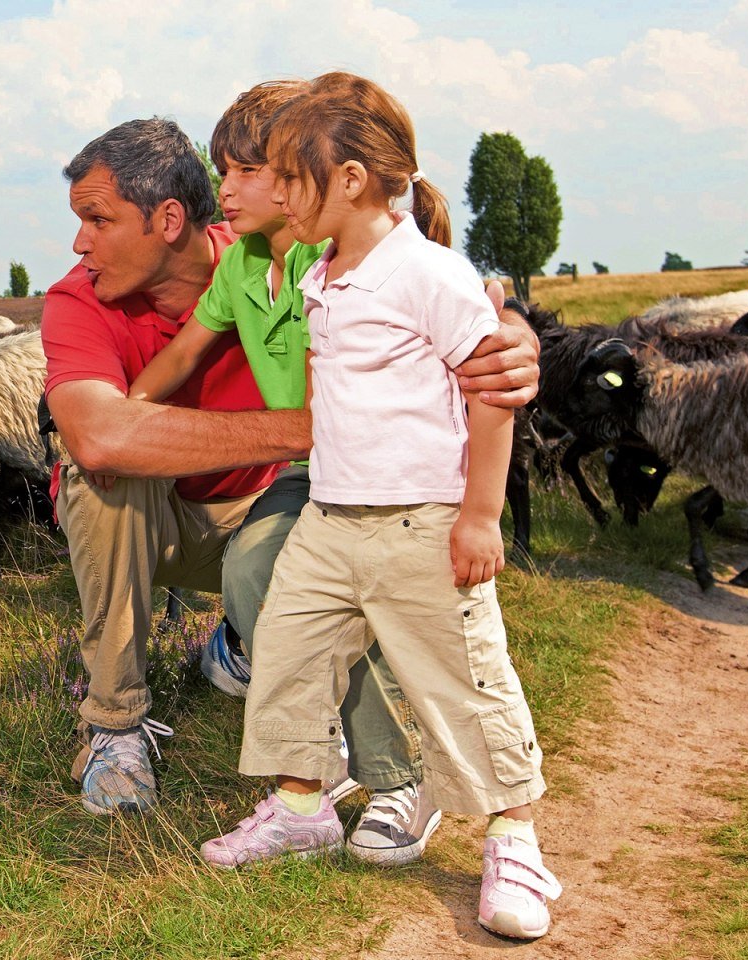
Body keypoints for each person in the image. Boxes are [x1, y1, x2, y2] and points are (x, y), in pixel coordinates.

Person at [43, 116, 541, 825]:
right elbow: (97, 436)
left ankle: (371, 759)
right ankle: (116, 727)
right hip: (171, 522)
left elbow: (421, 279)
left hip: (286, 503)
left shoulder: (291, 251)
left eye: (97, 219)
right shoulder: (78, 300)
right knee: (96, 476)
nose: (78, 243)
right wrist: (319, 426)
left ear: (168, 219)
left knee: (295, 551)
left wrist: (513, 335)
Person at [192, 72, 561, 941]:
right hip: (331, 517)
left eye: (289, 175)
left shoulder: (431, 274)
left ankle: (513, 840)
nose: (277, 193)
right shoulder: (319, 273)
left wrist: (479, 515)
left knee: (463, 680)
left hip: (421, 522)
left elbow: (491, 394)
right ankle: (301, 808)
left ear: (349, 179)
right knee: (287, 656)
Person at [127, 80, 438, 867]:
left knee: (335, 583)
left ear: (302, 174)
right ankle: (321, 755)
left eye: (245, 172)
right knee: (254, 569)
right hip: (310, 471)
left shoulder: (324, 253)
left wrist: (512, 334)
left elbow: (428, 281)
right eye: (220, 171)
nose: (222, 190)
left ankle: (402, 777)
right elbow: (180, 356)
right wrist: (122, 413)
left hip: (386, 472)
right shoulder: (241, 272)